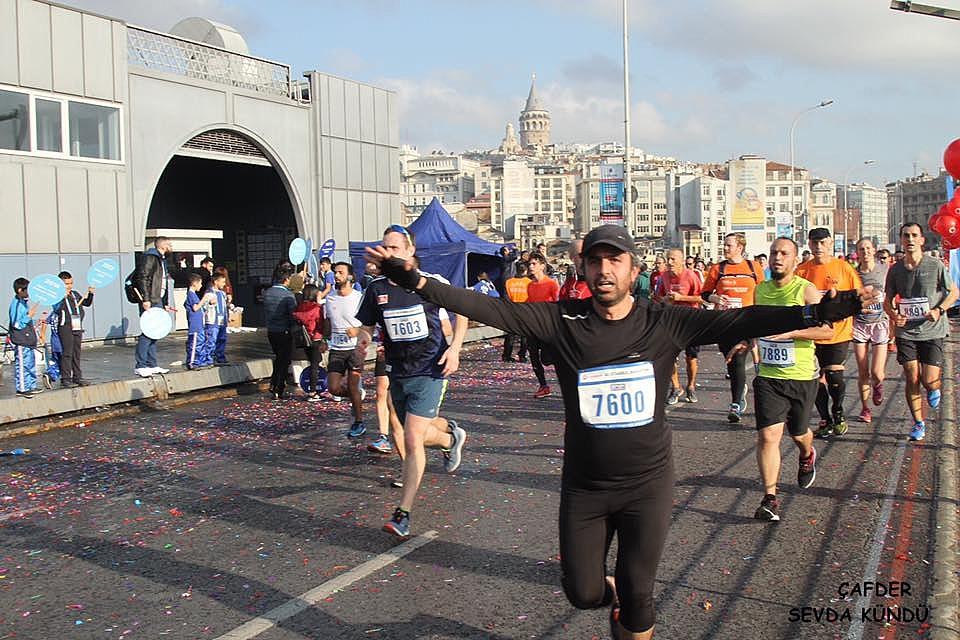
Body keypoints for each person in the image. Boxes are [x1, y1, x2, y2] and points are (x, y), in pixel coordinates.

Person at [364, 224, 872, 640]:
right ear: (584, 269)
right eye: (595, 261)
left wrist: (814, 312)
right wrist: (416, 282)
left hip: (648, 485)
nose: (604, 270)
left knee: (639, 594)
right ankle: (611, 599)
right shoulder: (562, 321)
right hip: (585, 487)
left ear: (633, 269)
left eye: (615, 261)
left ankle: (628, 608)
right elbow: (490, 310)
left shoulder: (664, 323)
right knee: (583, 592)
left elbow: (742, 318)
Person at [354, 225, 468, 539]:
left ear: (409, 252)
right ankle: (449, 438)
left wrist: (455, 349)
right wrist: (362, 341)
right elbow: (366, 325)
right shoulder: (376, 288)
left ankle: (403, 513)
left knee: (411, 438)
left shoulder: (430, 283)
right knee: (411, 431)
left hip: (431, 368)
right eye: (384, 248)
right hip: (398, 371)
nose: (388, 253)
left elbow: (462, 313)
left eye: (394, 248)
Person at [726, 237, 830, 522]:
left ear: (796, 260)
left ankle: (807, 453)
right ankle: (770, 498)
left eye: (784, 253)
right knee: (768, 436)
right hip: (769, 376)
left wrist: (792, 332)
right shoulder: (761, 291)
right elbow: (755, 325)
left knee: (798, 433)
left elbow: (827, 332)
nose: (777, 257)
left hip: (801, 376)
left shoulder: (806, 292)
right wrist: (746, 342)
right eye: (773, 253)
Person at [884, 222, 959, 441]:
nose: (909, 239)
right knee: (911, 375)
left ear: (922, 240)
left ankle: (934, 388)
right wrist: (893, 314)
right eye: (906, 235)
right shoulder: (895, 269)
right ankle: (918, 422)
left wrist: (939, 309)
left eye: (914, 235)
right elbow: (887, 300)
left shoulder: (934, 265)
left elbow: (954, 292)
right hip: (907, 332)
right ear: (901, 239)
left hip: (933, 330)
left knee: (929, 380)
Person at [797, 228, 863, 438]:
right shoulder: (802, 271)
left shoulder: (843, 268)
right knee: (814, 378)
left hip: (838, 333)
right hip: (812, 333)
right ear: (809, 244)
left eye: (823, 243)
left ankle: (839, 412)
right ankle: (825, 418)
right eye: (814, 243)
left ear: (830, 243)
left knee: (834, 375)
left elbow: (858, 296)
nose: (818, 247)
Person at [700, 233, 764, 422]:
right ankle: (740, 386)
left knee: (737, 359)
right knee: (731, 360)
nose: (725, 248)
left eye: (729, 245)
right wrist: (716, 298)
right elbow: (704, 294)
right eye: (724, 245)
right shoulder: (717, 269)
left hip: (746, 321)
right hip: (724, 322)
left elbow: (763, 291)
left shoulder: (753, 267)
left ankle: (735, 404)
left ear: (740, 247)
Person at [323, 262, 367, 436]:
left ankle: (358, 421)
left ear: (350, 276)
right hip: (337, 348)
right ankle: (356, 399)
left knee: (352, 384)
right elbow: (327, 321)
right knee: (333, 388)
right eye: (335, 272)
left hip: (355, 348)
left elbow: (370, 323)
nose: (336, 275)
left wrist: (358, 330)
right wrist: (324, 339)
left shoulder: (359, 297)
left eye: (340, 272)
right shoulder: (330, 298)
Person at [656, 248, 703, 404]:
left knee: (691, 357)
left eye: (673, 259)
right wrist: (666, 300)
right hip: (672, 320)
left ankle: (691, 386)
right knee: (669, 355)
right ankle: (676, 387)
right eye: (668, 259)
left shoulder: (691, 276)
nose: (669, 263)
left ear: (682, 261)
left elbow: (701, 298)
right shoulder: (664, 276)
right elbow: (659, 298)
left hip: (690, 320)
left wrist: (681, 297)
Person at [852, 238, 889, 424]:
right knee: (863, 372)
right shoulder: (854, 273)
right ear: (857, 252)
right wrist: (858, 307)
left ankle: (879, 385)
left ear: (873, 250)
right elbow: (850, 299)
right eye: (861, 249)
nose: (865, 251)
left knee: (876, 372)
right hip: (860, 324)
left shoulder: (884, 269)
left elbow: (892, 293)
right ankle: (865, 409)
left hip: (880, 324)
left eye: (868, 248)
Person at [133, 236, 174, 377]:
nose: (171, 248)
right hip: (150, 299)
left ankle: (152, 364)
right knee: (148, 331)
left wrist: (166, 302)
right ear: (163, 246)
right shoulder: (150, 257)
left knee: (155, 332)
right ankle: (141, 364)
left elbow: (163, 283)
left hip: (158, 299)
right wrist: (146, 298)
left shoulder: (162, 260)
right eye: (169, 245)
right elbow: (142, 277)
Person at [51, 271, 94, 387]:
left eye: (71, 283)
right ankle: (65, 378)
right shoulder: (56, 296)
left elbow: (86, 303)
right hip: (65, 327)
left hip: (77, 326)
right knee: (67, 353)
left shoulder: (74, 294)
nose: (69, 286)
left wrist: (91, 294)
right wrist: (61, 298)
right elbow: (56, 309)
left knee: (76, 353)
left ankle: (77, 376)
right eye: (66, 284)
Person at [526, 252, 559, 398]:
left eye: (534, 264)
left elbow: (558, 305)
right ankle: (543, 385)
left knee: (547, 359)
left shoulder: (551, 284)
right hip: (533, 326)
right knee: (533, 356)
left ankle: (568, 382)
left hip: (548, 327)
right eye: (529, 264)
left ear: (542, 266)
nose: (531, 266)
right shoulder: (530, 286)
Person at [263, 262, 298, 400]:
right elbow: (293, 315)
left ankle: (274, 383)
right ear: (286, 280)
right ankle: (278, 386)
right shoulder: (288, 296)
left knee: (278, 357)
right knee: (283, 360)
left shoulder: (267, 293)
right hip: (284, 330)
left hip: (271, 330)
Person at [292, 284, 327, 401]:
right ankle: (313, 392)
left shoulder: (299, 307)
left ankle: (312, 390)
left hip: (304, 339)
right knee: (315, 365)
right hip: (316, 338)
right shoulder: (317, 308)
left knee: (312, 363)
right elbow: (321, 324)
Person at [8, 278, 42, 397]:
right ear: (20, 290)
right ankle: (22, 388)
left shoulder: (23, 302)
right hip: (21, 340)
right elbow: (16, 324)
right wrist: (28, 316)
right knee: (22, 364)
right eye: (27, 290)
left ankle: (31, 385)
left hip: (27, 339)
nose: (29, 293)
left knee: (30, 363)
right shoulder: (16, 304)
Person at [503, 262, 532, 363]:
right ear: (525, 271)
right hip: (525, 311)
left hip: (511, 310)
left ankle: (506, 355)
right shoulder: (529, 282)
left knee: (510, 335)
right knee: (525, 336)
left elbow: (506, 298)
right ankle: (522, 355)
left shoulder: (509, 282)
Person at [184, 273, 214, 370]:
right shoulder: (191, 294)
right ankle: (193, 362)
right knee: (195, 344)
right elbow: (195, 307)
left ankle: (200, 361)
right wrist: (204, 299)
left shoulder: (193, 295)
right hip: (195, 325)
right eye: (200, 284)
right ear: (194, 283)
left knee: (200, 342)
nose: (201, 286)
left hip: (199, 324)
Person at [213, 266, 233, 364]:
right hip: (214, 319)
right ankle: (213, 356)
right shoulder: (211, 292)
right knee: (214, 338)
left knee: (221, 337)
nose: (224, 284)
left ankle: (220, 356)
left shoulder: (223, 292)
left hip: (222, 317)